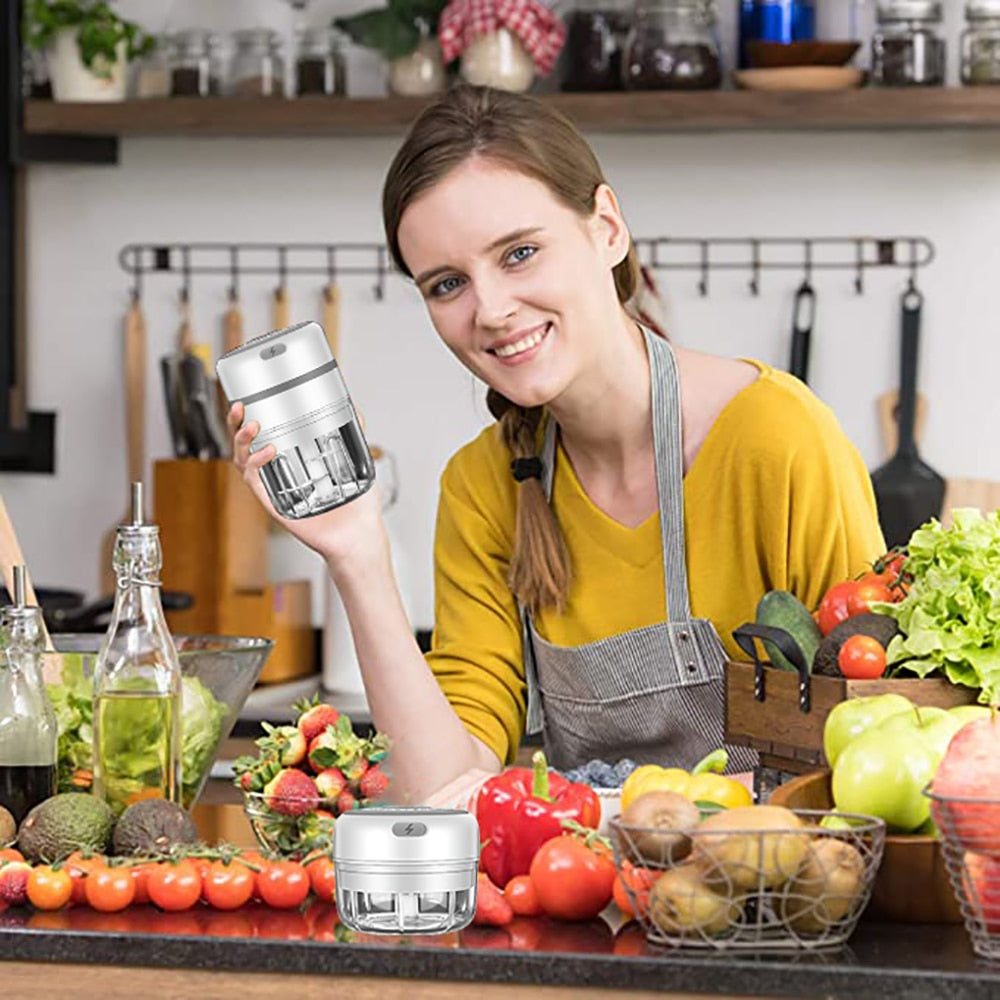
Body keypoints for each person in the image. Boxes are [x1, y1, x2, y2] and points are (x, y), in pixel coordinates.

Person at [228, 85, 885, 806]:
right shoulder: (483, 486)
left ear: (607, 229)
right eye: (447, 284)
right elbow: (443, 787)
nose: (491, 310)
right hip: (578, 876)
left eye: (519, 253)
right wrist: (356, 553)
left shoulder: (777, 439)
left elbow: (879, 741)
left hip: (775, 874)